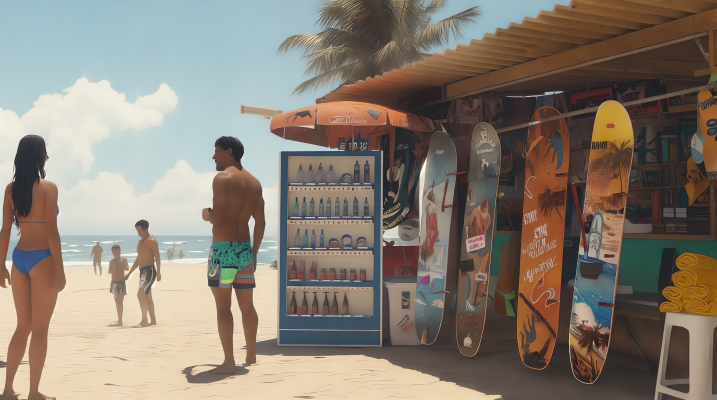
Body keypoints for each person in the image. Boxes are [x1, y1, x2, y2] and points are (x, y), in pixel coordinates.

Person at [0, 135, 66, 400]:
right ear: (39, 155)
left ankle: (6, 390)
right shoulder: (49, 188)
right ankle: (34, 392)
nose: (48, 156)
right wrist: (60, 269)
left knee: (22, 326)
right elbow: (52, 231)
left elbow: (5, 230)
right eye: (45, 152)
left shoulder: (10, 190)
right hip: (43, 259)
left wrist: (1, 264)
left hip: (19, 259)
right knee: (39, 329)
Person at [203, 136, 264, 371]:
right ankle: (250, 355)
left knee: (223, 307)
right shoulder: (255, 183)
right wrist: (255, 252)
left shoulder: (222, 178)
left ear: (229, 151)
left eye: (216, 151)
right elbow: (261, 222)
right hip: (244, 250)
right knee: (247, 306)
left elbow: (217, 218)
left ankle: (229, 362)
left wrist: (207, 214)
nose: (213, 156)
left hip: (223, 251)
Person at [124, 220, 161, 327]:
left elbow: (157, 257)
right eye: (137, 231)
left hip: (150, 271)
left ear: (146, 229)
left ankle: (144, 321)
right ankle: (153, 321)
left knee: (140, 293)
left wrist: (158, 272)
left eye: (139, 230)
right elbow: (138, 259)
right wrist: (129, 273)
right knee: (147, 296)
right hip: (142, 271)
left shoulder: (152, 241)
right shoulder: (140, 243)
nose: (138, 233)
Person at [108, 244, 129, 326]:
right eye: (115, 252)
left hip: (121, 282)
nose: (116, 254)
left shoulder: (123, 259)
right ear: (112, 253)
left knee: (120, 302)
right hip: (114, 283)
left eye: (118, 252)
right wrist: (114, 268)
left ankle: (120, 321)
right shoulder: (111, 261)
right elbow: (109, 272)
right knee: (117, 302)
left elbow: (127, 268)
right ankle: (119, 319)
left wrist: (121, 266)